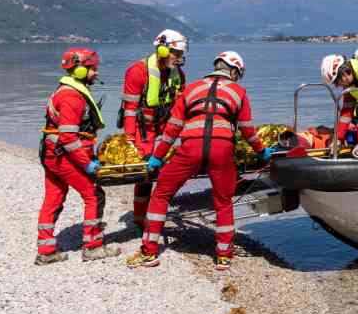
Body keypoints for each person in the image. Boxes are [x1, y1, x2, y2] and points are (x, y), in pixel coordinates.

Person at [126, 51, 273, 271]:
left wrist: (157, 158)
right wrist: (262, 152)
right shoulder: (238, 91)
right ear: (233, 70)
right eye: (237, 74)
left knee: (161, 194)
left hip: (190, 148)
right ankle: (223, 256)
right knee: (223, 201)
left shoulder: (191, 88)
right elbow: (247, 130)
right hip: (222, 150)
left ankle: (149, 252)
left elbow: (172, 129)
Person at [36, 48, 121, 264]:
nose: (96, 74)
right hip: (65, 156)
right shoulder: (73, 96)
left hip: (51, 155)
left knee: (53, 197)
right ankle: (92, 247)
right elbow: (68, 138)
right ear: (80, 70)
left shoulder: (64, 90)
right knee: (94, 194)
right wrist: (88, 165)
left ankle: (45, 251)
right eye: (93, 69)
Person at [118, 29, 187, 230]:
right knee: (145, 174)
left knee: (176, 165)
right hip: (144, 128)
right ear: (163, 50)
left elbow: (182, 106)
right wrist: (129, 139)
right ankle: (140, 218)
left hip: (166, 125)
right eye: (176, 53)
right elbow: (130, 110)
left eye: (181, 54)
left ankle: (159, 208)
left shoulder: (178, 74)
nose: (179, 58)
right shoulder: (137, 71)